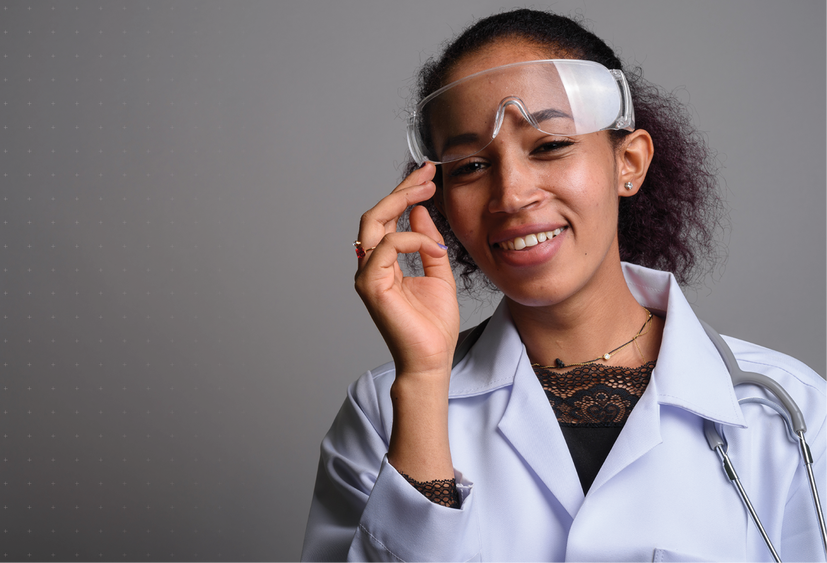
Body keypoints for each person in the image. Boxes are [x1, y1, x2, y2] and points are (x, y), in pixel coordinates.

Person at [300, 9, 827, 563]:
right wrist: (427, 383)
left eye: (549, 146)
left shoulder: (791, 412)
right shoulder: (385, 411)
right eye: (471, 166)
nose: (511, 195)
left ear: (629, 162)